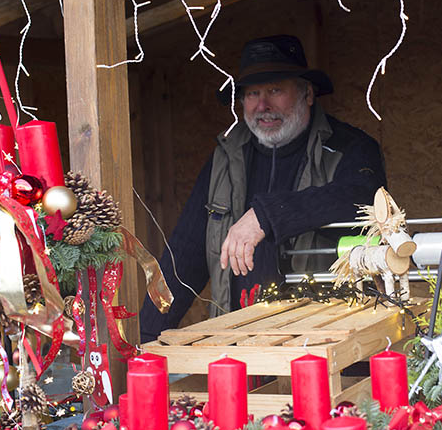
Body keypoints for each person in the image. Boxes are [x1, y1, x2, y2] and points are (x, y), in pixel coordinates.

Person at [139, 35, 387, 341]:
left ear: (307, 93)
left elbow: (363, 198)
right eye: (252, 93)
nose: (262, 105)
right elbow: (185, 254)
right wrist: (146, 337)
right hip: (239, 345)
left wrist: (267, 216)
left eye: (275, 90)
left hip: (329, 342)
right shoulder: (224, 159)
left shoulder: (350, 147)